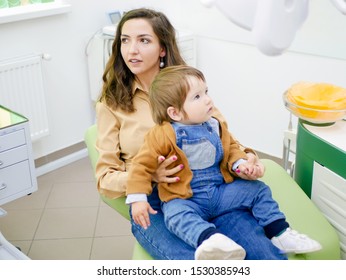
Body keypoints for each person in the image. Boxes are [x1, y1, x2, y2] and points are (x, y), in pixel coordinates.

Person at [96, 7, 288, 260]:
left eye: (143, 40)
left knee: (265, 257)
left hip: (213, 190)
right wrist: (147, 176)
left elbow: (224, 137)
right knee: (202, 263)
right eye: (125, 40)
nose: (131, 50)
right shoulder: (111, 103)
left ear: (162, 48)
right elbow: (105, 178)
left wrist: (246, 158)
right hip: (157, 204)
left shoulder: (189, 86)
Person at [126, 65, 322, 260]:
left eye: (206, 92)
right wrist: (138, 199)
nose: (208, 99)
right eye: (197, 97)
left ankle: (280, 232)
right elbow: (141, 165)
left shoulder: (214, 125)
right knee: (175, 215)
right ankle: (210, 240)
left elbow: (230, 149)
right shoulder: (162, 134)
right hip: (186, 198)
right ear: (175, 113)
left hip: (219, 193)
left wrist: (240, 164)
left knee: (257, 189)